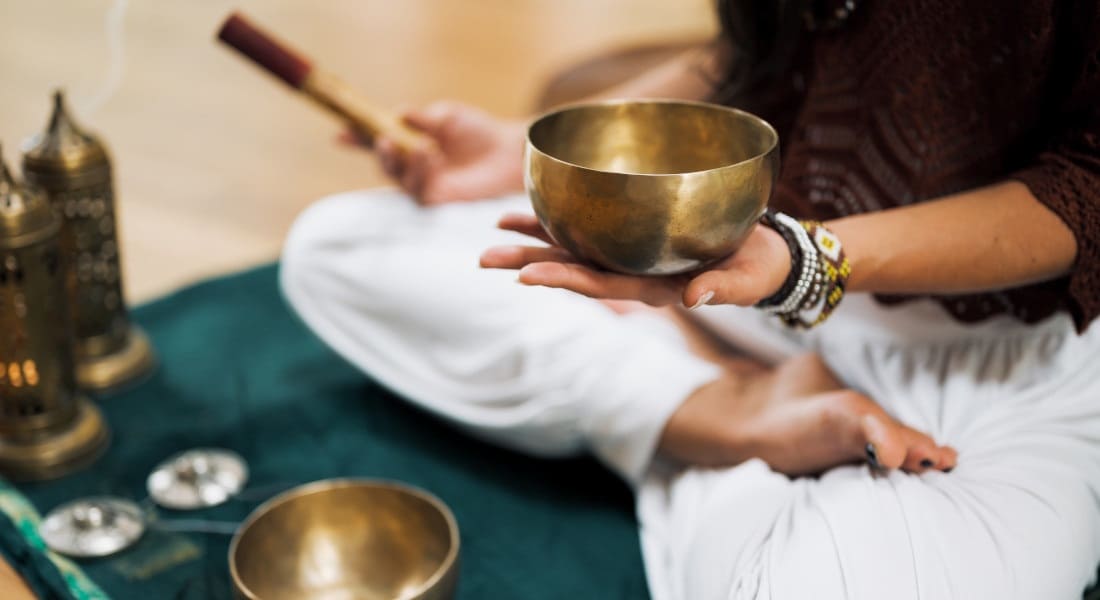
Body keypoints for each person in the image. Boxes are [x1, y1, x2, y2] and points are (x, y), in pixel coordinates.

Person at [280, 1, 1100, 598]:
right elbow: (759, 48)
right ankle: (729, 411)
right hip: (755, 278)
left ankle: (678, 417)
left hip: (998, 357)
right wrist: (526, 146)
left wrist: (806, 260)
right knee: (338, 250)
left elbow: (1087, 186)